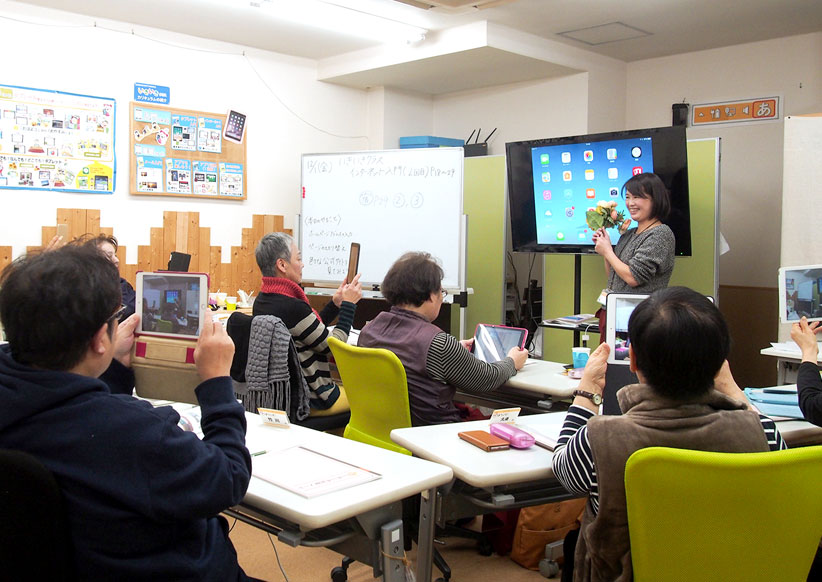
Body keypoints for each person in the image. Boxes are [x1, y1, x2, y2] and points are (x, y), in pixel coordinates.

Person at [0, 244, 254, 581]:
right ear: (98, 339)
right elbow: (229, 478)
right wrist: (218, 383)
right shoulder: (135, 434)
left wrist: (114, 372)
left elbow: (84, 422)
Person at [551, 287, 786, 582]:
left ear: (632, 359)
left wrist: (588, 393)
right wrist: (733, 390)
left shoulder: (601, 438)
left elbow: (563, 470)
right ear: (721, 362)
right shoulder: (763, 432)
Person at [357, 252, 528, 426]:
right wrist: (512, 361)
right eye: (441, 292)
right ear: (431, 295)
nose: (441, 297)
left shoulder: (370, 330)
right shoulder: (437, 343)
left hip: (384, 429)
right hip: (434, 436)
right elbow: (486, 379)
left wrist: (454, 350)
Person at [253, 232, 361, 411]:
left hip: (283, 395)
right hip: (310, 397)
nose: (302, 264)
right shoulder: (292, 306)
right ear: (282, 264)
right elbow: (333, 347)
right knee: (363, 401)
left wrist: (335, 304)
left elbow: (308, 332)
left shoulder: (263, 300)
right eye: (298, 258)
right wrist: (349, 306)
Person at [81, 233, 136, 322]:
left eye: (116, 255)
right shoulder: (87, 293)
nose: (117, 261)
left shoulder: (124, 285)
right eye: (109, 256)